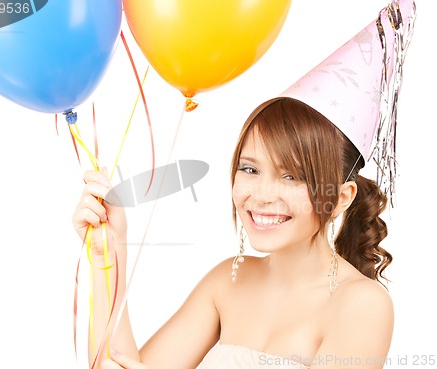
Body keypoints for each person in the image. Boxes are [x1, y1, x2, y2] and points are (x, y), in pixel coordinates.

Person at [72, 1, 416, 368]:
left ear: (342, 197)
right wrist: (106, 254)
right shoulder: (227, 282)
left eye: (292, 176)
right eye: (250, 169)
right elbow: (119, 364)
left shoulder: (362, 305)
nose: (262, 195)